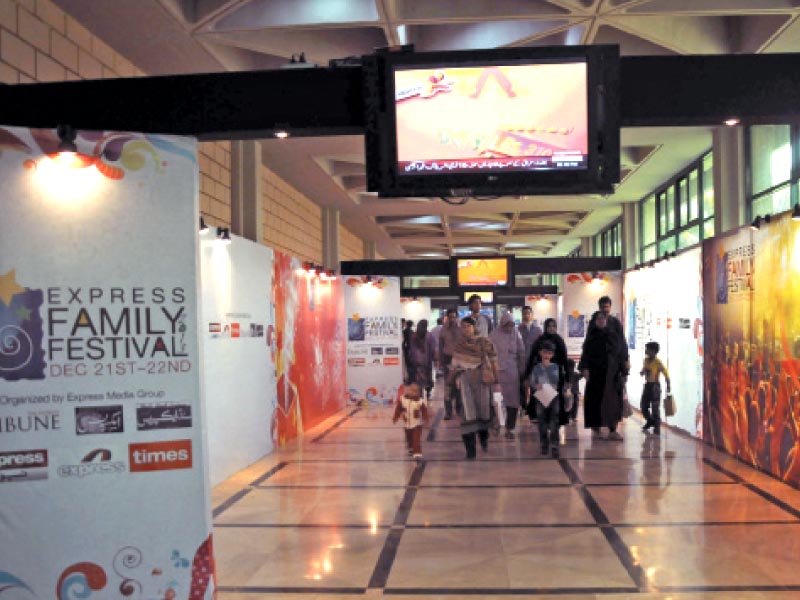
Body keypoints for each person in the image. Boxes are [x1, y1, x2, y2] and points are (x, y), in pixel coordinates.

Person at [451, 316, 498, 459]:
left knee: (483, 414)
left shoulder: (484, 342)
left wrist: (497, 381)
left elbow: (494, 362)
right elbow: (455, 365)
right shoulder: (459, 345)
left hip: (482, 383)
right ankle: (470, 452)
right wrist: (450, 381)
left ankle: (484, 439)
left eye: (468, 326)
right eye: (463, 326)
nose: (466, 329)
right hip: (465, 383)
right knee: (467, 416)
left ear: (474, 327)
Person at [579, 311, 628, 440]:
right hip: (595, 375)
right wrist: (584, 368)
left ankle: (613, 429)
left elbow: (621, 353)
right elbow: (585, 354)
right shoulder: (591, 338)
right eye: (599, 319)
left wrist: (624, 370)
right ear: (595, 321)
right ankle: (596, 426)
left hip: (612, 375)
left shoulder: (613, 335)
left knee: (613, 402)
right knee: (595, 400)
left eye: (603, 319)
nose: (601, 321)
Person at [528, 340, 570, 457]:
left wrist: (547, 368)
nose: (546, 355)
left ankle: (555, 445)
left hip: (553, 396)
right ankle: (544, 443)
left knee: (554, 421)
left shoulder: (555, 367)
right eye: (545, 353)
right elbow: (532, 381)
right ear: (541, 353)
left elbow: (555, 380)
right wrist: (536, 386)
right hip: (540, 397)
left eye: (549, 353)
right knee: (541, 421)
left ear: (552, 355)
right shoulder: (536, 368)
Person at [489, 312, 526, 439]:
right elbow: (488, 354)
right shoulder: (493, 335)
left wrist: (522, 370)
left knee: (513, 401)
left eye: (511, 325)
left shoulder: (516, 334)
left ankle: (510, 428)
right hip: (497, 371)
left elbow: (521, 352)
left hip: (512, 372)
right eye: (507, 325)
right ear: (502, 324)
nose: (509, 328)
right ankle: (496, 424)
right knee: (496, 400)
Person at [640, 341, 671, 435]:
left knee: (655, 407)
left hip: (655, 386)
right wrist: (643, 372)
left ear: (653, 351)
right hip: (647, 385)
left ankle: (657, 426)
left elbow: (665, 373)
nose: (646, 351)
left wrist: (668, 384)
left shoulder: (658, 362)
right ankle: (650, 420)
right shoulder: (645, 360)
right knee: (644, 406)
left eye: (648, 349)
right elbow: (644, 368)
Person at [392, 383, 429, 461]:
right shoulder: (403, 399)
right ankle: (411, 447)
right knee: (409, 438)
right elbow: (398, 409)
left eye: (415, 392)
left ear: (418, 393)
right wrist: (396, 417)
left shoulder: (419, 402)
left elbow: (424, 411)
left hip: (417, 424)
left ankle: (418, 453)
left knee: (416, 439)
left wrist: (426, 419)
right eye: (411, 391)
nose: (413, 393)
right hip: (407, 424)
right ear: (408, 391)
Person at [438, 308, 463, 420]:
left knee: (459, 387)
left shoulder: (462, 328)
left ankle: (459, 409)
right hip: (448, 360)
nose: (452, 319)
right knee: (448, 387)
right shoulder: (443, 329)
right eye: (450, 317)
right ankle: (448, 412)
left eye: (454, 317)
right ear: (447, 317)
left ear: (457, 317)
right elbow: (440, 346)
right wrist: (440, 361)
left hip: (459, 360)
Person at [408, 319, 437, 399]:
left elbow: (411, 349)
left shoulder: (414, 336)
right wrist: (435, 358)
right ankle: (428, 393)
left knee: (419, 379)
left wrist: (412, 359)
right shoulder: (429, 336)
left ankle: (420, 394)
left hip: (417, 361)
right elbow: (433, 348)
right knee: (428, 377)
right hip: (427, 361)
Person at [402, 319, 414, 384]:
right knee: (410, 365)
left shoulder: (405, 331)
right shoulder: (411, 332)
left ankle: (409, 379)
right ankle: (411, 379)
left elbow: (405, 341)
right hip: (410, 350)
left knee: (408, 365)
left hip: (407, 350)